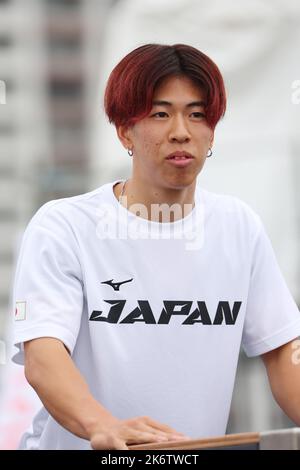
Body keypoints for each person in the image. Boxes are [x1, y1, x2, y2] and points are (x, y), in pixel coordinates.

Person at [12, 43, 300, 450]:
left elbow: (284, 350)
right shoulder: (64, 226)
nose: (181, 131)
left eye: (197, 114)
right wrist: (102, 425)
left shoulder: (239, 227)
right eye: (160, 113)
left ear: (212, 130)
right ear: (124, 129)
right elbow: (42, 357)